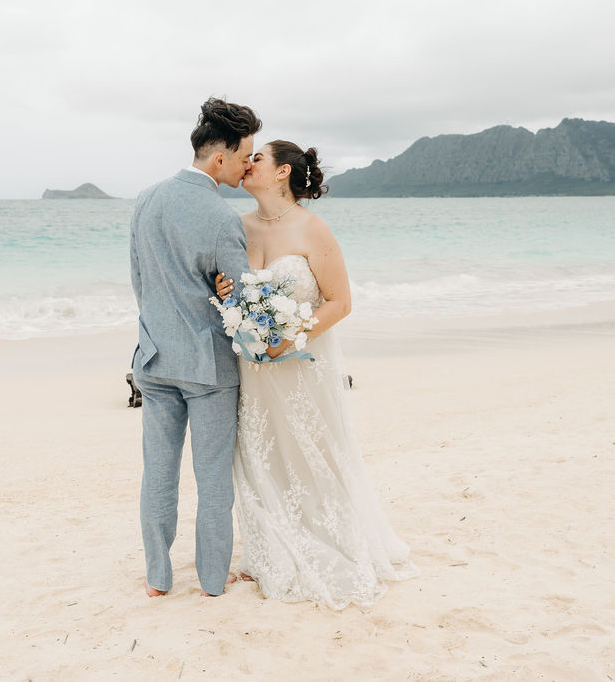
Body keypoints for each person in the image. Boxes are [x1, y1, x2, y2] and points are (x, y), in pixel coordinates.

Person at [214, 140, 416, 609]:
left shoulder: (313, 229)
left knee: (312, 453)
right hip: (255, 368)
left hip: (301, 364)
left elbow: (340, 302)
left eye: (257, 158)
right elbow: (229, 292)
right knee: (262, 453)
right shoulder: (237, 227)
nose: (247, 164)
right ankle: (269, 550)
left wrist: (293, 335)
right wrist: (225, 290)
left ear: (282, 172)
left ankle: (330, 541)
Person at [129, 98, 260, 598]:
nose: (249, 165)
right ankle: (210, 580)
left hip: (154, 357)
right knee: (212, 479)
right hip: (208, 367)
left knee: (157, 473)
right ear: (219, 157)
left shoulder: (146, 198)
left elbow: (139, 281)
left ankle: (158, 576)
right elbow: (242, 299)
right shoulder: (222, 218)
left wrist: (157, 331)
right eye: (245, 155)